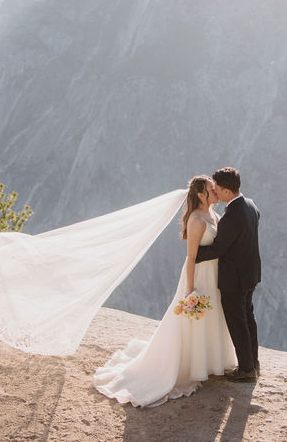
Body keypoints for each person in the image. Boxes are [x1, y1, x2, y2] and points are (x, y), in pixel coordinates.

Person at [93, 175, 238, 406]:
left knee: (212, 316)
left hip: (214, 275)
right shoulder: (197, 220)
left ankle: (209, 362)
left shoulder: (213, 214)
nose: (216, 193)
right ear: (201, 194)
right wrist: (190, 291)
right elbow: (191, 258)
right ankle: (188, 366)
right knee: (192, 321)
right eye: (211, 190)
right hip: (199, 275)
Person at [195, 167, 261, 382]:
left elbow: (218, 249)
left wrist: (194, 254)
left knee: (237, 321)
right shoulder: (250, 205)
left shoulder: (232, 215)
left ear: (225, 191)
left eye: (216, 189)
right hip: (250, 273)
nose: (214, 193)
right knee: (248, 318)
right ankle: (253, 362)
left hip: (234, 278)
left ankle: (246, 370)